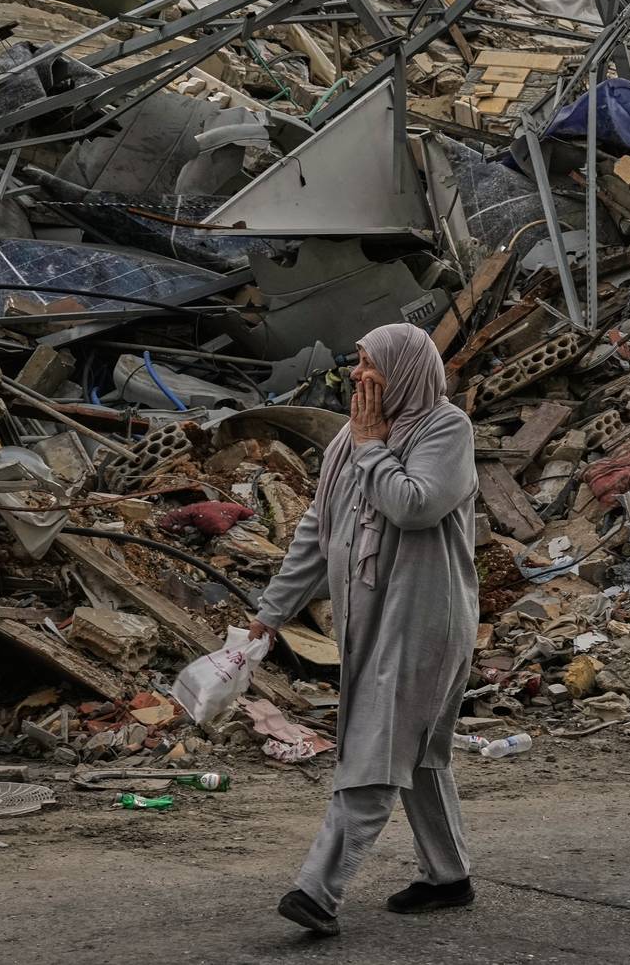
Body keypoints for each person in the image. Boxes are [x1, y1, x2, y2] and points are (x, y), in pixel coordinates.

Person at [248, 321, 481, 937]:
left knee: (378, 749)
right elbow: (316, 533)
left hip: (425, 618)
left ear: (404, 370)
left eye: (368, 364)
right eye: (356, 363)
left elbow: (415, 504)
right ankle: (448, 876)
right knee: (419, 751)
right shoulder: (348, 441)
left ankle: (317, 891)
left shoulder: (445, 429)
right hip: (370, 619)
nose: (356, 375)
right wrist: (271, 614)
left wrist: (373, 446)